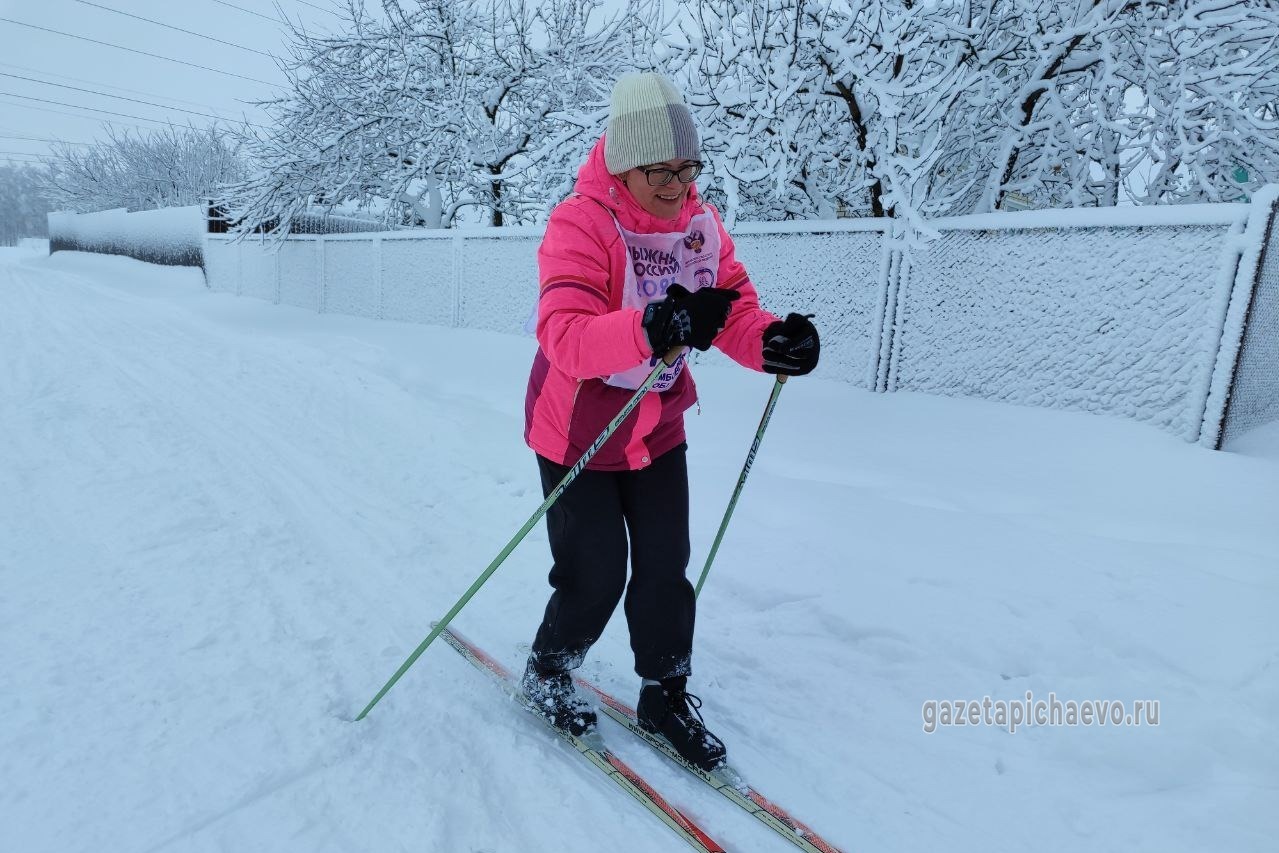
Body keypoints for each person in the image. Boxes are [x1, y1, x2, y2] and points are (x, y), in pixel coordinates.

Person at [521, 72, 820, 771]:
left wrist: (772, 342)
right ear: (625, 164)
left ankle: (664, 692)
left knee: (664, 567)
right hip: (578, 430)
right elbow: (564, 334)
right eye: (661, 171)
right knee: (594, 571)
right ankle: (549, 666)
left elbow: (732, 311)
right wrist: (653, 325)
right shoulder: (580, 222)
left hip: (656, 424)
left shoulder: (699, 227)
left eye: (689, 169)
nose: (678, 186)